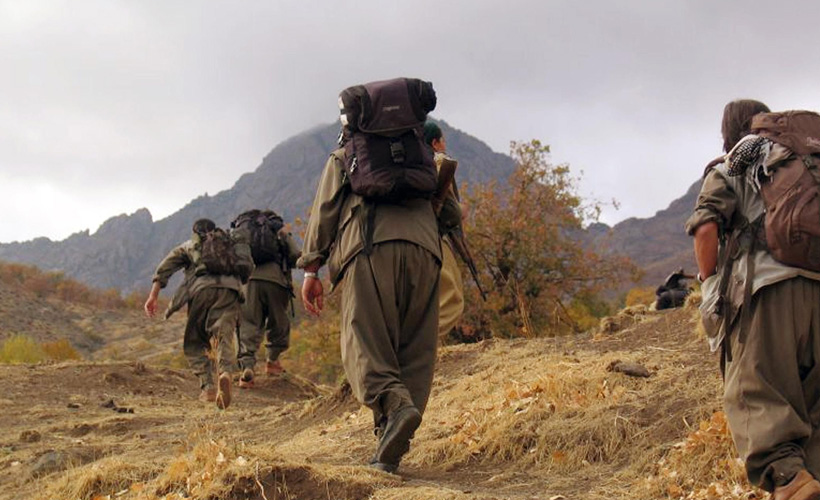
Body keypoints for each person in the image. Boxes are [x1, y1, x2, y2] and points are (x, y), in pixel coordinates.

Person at [687, 99, 820, 499]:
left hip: (767, 293)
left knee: (754, 390)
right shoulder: (803, 165)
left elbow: (706, 228)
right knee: (813, 405)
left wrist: (709, 282)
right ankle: (809, 477)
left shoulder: (734, 164)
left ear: (728, 132)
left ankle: (789, 479)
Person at [298, 138, 441, 474]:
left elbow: (325, 211)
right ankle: (389, 446)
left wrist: (311, 267)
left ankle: (395, 406)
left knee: (363, 340)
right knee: (415, 348)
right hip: (426, 251)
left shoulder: (345, 156)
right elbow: (448, 211)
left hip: (370, 245)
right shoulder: (423, 153)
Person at [144, 218, 252, 409]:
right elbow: (247, 267)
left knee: (195, 341)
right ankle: (225, 372)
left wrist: (153, 296)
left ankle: (208, 387)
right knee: (224, 334)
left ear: (195, 232)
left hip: (201, 291)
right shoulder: (229, 244)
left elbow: (165, 268)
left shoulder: (190, 246)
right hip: (230, 291)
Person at [235, 213, 301, 388]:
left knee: (248, 323)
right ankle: (272, 362)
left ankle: (246, 369)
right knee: (278, 321)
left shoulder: (245, 231)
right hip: (276, 280)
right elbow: (295, 254)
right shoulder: (277, 229)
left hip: (249, 282)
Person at [424, 122, 465, 338]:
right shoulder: (439, 163)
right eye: (442, 140)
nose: (444, 144)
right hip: (430, 237)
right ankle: (421, 346)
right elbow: (450, 213)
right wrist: (460, 210)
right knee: (452, 299)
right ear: (434, 143)